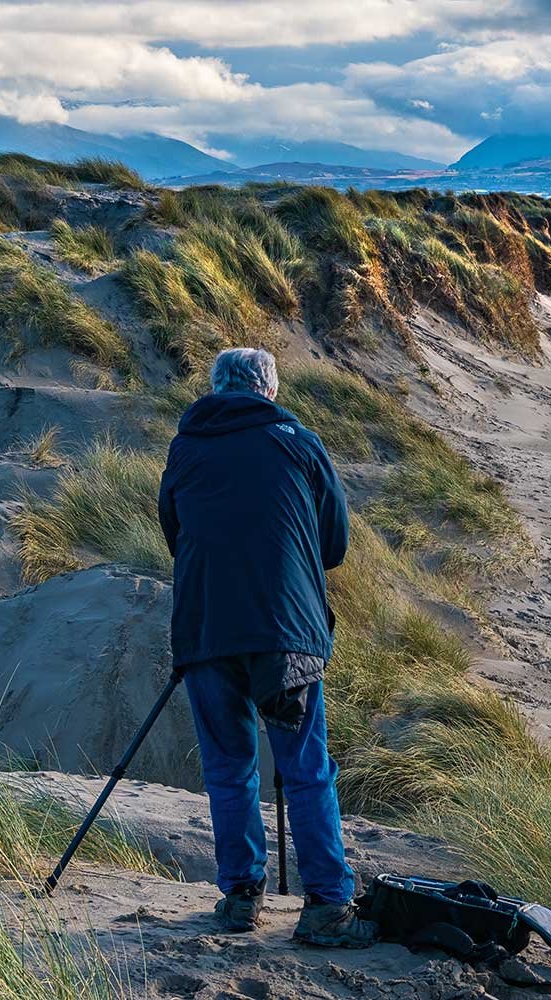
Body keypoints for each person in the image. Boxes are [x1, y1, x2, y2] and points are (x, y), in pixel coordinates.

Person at [157, 348, 377, 948]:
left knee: (229, 768)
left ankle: (239, 899)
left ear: (218, 389)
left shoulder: (186, 447)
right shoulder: (299, 442)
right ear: (267, 390)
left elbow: (173, 531)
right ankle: (328, 906)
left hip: (206, 629)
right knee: (304, 769)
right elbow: (334, 544)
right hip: (285, 635)